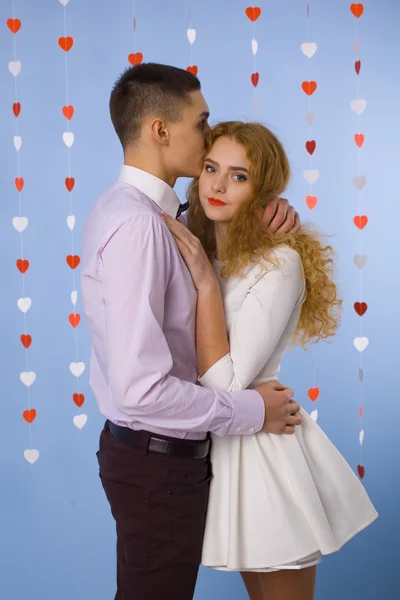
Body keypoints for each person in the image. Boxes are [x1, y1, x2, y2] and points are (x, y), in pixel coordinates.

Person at [80, 63, 302, 600]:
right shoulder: (139, 226)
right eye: (201, 123)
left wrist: (264, 207)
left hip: (156, 460)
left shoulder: (153, 214)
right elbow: (142, 389)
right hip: (158, 464)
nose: (208, 133)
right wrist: (253, 411)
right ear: (160, 130)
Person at [161, 121, 378, 600]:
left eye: (239, 176)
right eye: (211, 168)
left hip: (266, 454)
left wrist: (203, 284)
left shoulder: (280, 263)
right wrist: (203, 270)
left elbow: (228, 384)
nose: (217, 185)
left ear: (264, 192)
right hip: (219, 449)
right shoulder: (200, 249)